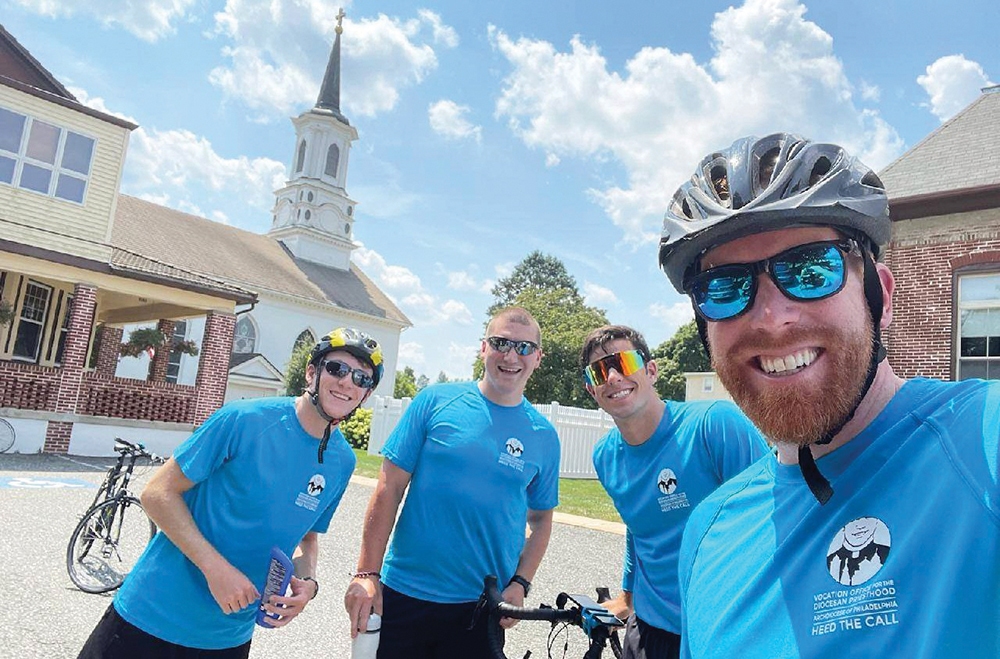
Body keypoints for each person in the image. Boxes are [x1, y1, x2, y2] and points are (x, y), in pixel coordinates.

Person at [657, 133, 1000, 658]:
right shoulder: (708, 533)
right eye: (725, 287)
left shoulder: (983, 439)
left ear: (880, 297)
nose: (772, 319)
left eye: (810, 268)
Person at [78, 327, 384, 658]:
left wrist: (308, 583)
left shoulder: (342, 462)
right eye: (337, 369)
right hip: (151, 617)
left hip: (228, 639)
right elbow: (157, 493)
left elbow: (307, 537)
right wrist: (216, 569)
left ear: (366, 394)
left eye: (361, 378)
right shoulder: (243, 419)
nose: (347, 382)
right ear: (312, 372)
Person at [343, 307, 560, 659]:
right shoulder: (435, 401)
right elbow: (389, 487)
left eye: (523, 347)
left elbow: (541, 520)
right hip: (405, 594)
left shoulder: (544, 436)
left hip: (481, 608)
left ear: (537, 357)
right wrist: (367, 573)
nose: (510, 356)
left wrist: (521, 583)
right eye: (500, 343)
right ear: (483, 348)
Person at [580, 324, 768, 659]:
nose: (613, 378)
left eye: (623, 363)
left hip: (724, 633)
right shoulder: (605, 456)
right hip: (649, 633)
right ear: (591, 389)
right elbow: (639, 528)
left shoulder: (714, 425)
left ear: (651, 371)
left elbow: (775, 519)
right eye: (599, 372)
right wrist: (627, 597)